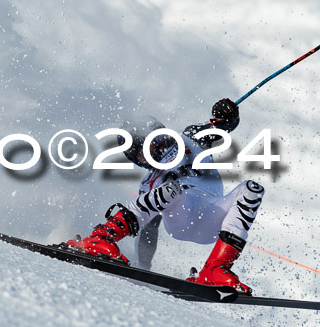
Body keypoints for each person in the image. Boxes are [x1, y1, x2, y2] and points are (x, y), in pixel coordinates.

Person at [67, 99, 263, 294]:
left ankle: (214, 269)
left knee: (251, 189)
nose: (142, 158)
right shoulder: (149, 182)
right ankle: (101, 237)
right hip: (180, 217)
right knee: (170, 190)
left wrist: (226, 113)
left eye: (142, 148)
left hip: (213, 215)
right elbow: (148, 229)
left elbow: (224, 125)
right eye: (135, 155)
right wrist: (143, 269)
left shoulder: (191, 137)